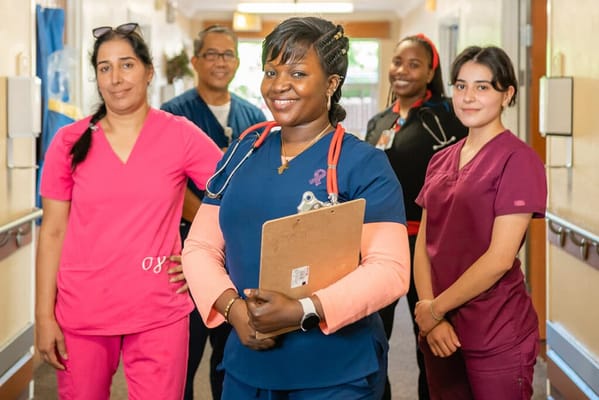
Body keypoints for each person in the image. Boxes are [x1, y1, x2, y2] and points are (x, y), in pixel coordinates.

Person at [182, 16, 410, 399]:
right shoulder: (243, 151)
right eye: (271, 71)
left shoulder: (362, 163)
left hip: (334, 372)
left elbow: (390, 269)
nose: (279, 85)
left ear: (332, 84)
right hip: (246, 365)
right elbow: (201, 246)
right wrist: (233, 310)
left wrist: (304, 309)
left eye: (298, 72)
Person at [35, 22, 222, 400]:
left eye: (127, 65)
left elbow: (234, 195)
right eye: (105, 68)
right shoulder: (68, 141)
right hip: (82, 309)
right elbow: (52, 231)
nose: (116, 78)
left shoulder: (180, 135)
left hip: (159, 310)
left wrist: (203, 257)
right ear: (97, 77)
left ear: (148, 71)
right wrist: (42, 316)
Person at [413, 45, 547, 399]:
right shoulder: (440, 160)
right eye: (460, 86)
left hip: (495, 329)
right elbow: (425, 244)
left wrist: (433, 310)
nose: (468, 97)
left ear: (507, 95)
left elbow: (500, 258)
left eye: (483, 87)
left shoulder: (519, 160)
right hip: (439, 327)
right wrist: (431, 314)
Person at [161, 25, 266, 400]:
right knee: (181, 359)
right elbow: (168, 182)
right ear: (195, 61)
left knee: (230, 357)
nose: (220, 62)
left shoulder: (253, 116)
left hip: (238, 258)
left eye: (228, 54)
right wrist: (217, 217)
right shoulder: (173, 115)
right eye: (212, 54)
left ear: (238, 62)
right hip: (187, 256)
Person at [365, 33, 467, 400]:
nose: (402, 71)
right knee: (374, 339)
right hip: (381, 246)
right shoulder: (378, 122)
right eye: (397, 62)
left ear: (430, 73)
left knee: (433, 342)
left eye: (414, 64)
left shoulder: (447, 119)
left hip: (429, 246)